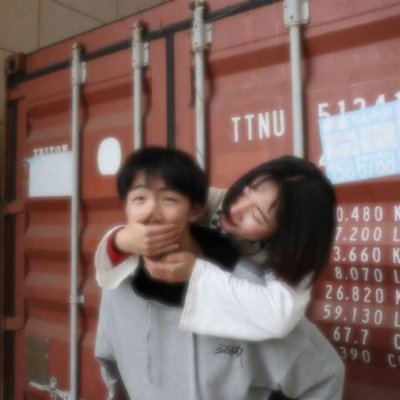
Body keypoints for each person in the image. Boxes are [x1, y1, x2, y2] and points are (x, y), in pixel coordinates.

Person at [95, 147, 344, 399]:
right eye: (245, 190)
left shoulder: (261, 293)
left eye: (256, 216)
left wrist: (196, 273)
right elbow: (112, 369)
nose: (236, 208)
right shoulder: (119, 281)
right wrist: (119, 241)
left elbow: (318, 367)